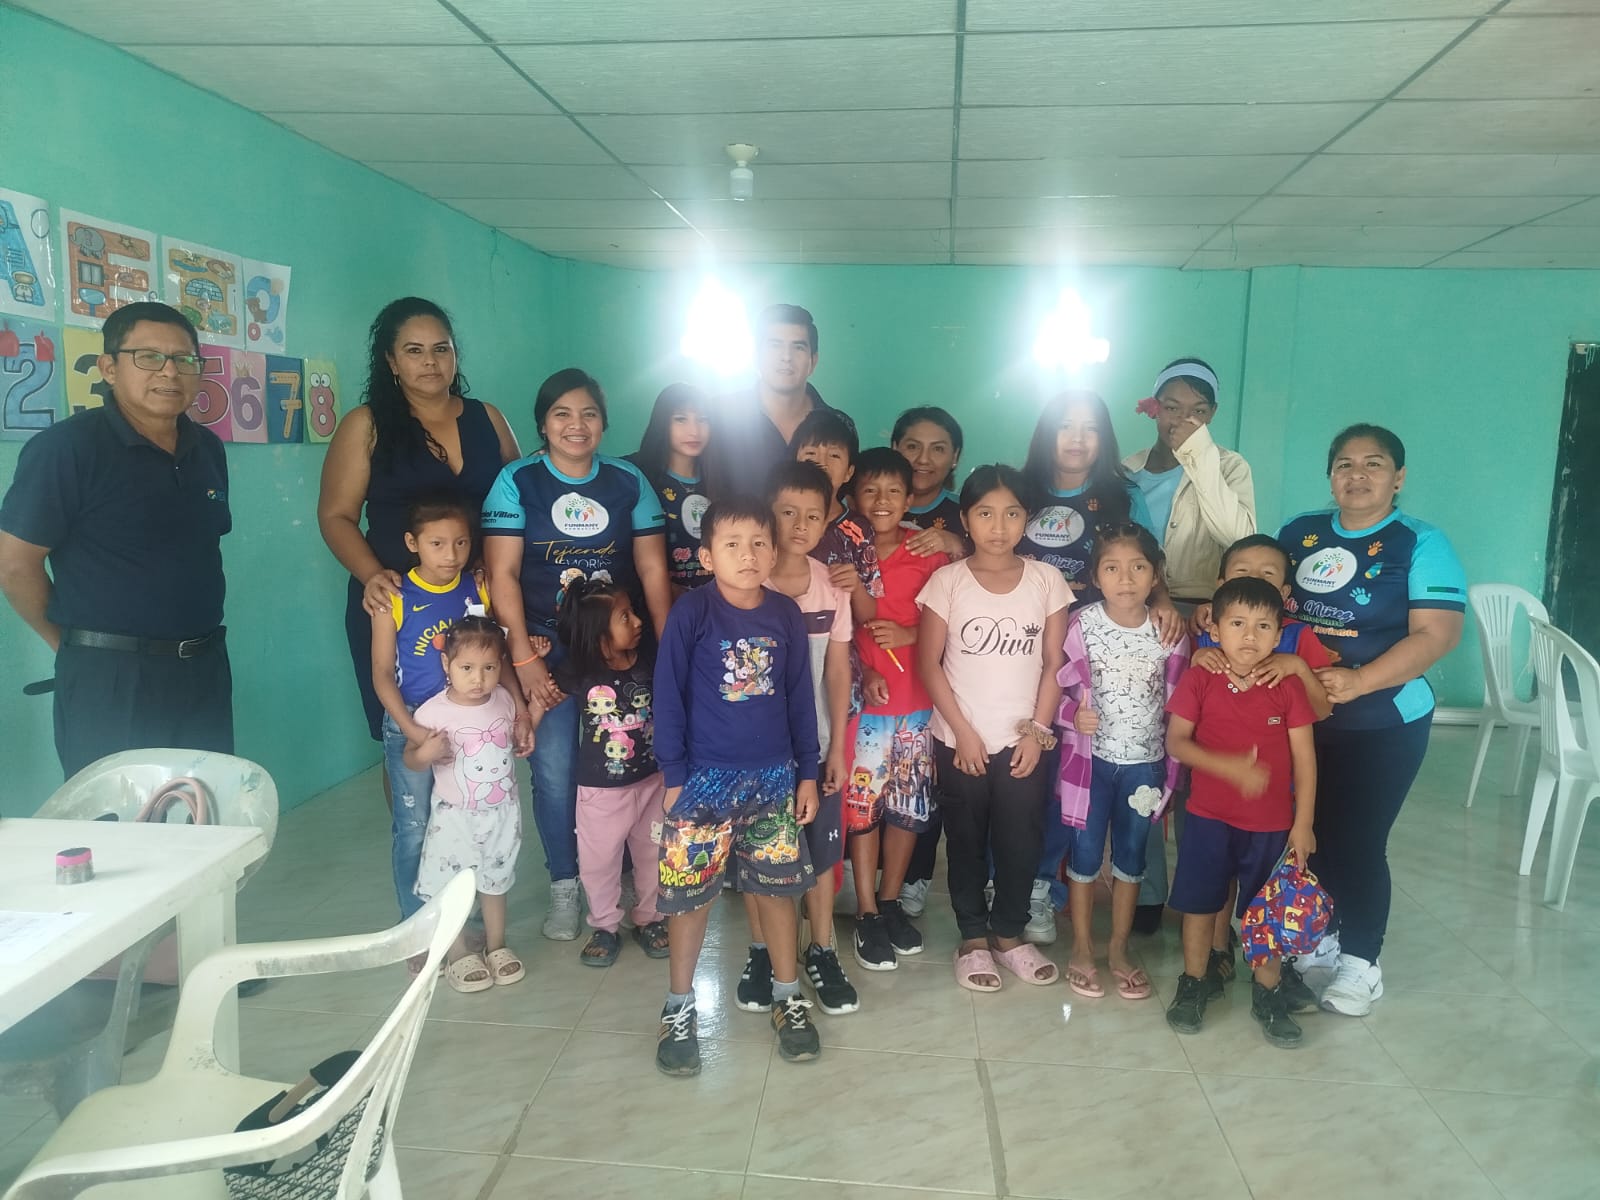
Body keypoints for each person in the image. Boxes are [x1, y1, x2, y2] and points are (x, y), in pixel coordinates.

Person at [0, 302, 233, 775]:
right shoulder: (67, 449)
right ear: (109, 367)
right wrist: (74, 648)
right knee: (120, 814)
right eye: (149, 357)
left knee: (204, 804)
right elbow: (14, 565)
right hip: (110, 680)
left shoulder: (206, 448)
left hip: (203, 668)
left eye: (185, 359)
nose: (170, 372)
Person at [1280, 424, 1465, 1017]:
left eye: (1374, 464)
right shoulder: (1298, 533)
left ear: (1398, 477)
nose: (1357, 475)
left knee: (1359, 841)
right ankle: (1323, 934)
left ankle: (1362, 962)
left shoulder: (1421, 542)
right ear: (1330, 474)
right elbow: (1260, 598)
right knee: (1309, 834)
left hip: (1385, 719)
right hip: (1303, 718)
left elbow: (1437, 634)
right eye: (1345, 464)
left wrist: (1360, 681)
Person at [482, 368, 672, 941]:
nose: (576, 424)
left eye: (589, 413)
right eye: (561, 413)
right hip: (545, 644)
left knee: (635, 763)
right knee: (556, 769)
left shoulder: (627, 481)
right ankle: (565, 883)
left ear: (604, 423)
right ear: (542, 424)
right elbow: (503, 574)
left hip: (619, 647)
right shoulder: (516, 481)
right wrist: (524, 658)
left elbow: (651, 569)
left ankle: (631, 881)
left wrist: (668, 649)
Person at [652, 498, 822, 1077]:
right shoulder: (692, 612)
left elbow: (800, 698)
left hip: (773, 779)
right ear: (706, 556)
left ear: (773, 553)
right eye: (732, 544)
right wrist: (674, 775)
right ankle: (679, 1006)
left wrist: (807, 772)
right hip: (703, 782)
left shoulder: (785, 615)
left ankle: (787, 996)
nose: (747, 555)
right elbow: (668, 694)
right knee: (689, 896)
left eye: (758, 544)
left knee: (777, 891)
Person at [319, 297, 520, 745]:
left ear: (455, 355)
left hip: (474, 600)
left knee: (479, 725)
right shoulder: (367, 425)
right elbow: (336, 516)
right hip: (396, 606)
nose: (430, 361)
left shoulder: (488, 418)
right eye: (414, 350)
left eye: (441, 349)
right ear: (391, 361)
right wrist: (372, 576)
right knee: (408, 739)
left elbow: (517, 504)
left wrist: (495, 566)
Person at [918, 465, 1071, 993]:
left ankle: (1008, 934)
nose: (999, 526)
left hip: (1023, 741)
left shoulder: (1046, 580)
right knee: (964, 840)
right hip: (960, 741)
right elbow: (929, 664)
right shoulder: (947, 582)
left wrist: (1038, 731)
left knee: (1021, 839)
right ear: (965, 520)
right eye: (985, 513)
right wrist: (962, 732)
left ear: (1027, 519)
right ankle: (972, 939)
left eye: (1011, 514)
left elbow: (1054, 664)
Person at [1162, 578, 1318, 1047]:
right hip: (1208, 816)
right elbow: (1176, 742)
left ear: (1278, 635)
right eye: (1237, 624)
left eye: (1262, 626)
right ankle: (1195, 982)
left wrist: (1304, 824)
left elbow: (1305, 760)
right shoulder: (1199, 679)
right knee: (1199, 905)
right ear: (1215, 629)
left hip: (1271, 826)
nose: (1249, 636)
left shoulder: (1287, 686)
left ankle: (1267, 994)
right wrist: (1230, 767)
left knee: (1265, 911)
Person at [369, 493, 532, 925]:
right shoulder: (394, 597)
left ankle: (465, 922)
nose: (451, 555)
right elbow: (382, 674)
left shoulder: (476, 587)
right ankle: (416, 927)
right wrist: (413, 731)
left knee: (469, 821)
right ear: (412, 543)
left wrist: (519, 709)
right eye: (437, 544)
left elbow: (496, 655)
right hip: (414, 721)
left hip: (471, 721)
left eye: (461, 543)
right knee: (414, 827)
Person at [1046, 524, 1191, 999]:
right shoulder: (1080, 626)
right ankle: (1082, 948)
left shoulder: (1170, 633)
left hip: (1145, 767)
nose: (1125, 579)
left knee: (1131, 858)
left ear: (1155, 576)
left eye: (1138, 567)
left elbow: (1180, 706)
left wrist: (1173, 771)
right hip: (1089, 766)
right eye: (1111, 568)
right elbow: (1052, 687)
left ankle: (1119, 950)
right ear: (1095, 576)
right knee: (1085, 856)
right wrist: (1070, 715)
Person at [1183, 533, 1334, 980]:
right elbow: (1188, 712)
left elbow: (1322, 711)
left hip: (1272, 803)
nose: (1254, 580)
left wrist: (1298, 667)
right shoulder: (1211, 637)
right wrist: (1201, 656)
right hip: (1213, 800)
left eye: (1267, 575)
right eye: (1242, 572)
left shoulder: (1297, 639)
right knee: (1213, 882)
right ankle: (1215, 953)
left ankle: (1268, 981)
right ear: (1220, 586)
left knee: (1264, 891)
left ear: (1285, 593)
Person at [739, 461, 858, 1016]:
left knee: (819, 855)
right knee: (758, 857)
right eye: (787, 512)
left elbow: (837, 670)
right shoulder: (747, 585)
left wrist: (837, 748)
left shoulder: (832, 585)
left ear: (828, 519)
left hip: (817, 748)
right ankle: (762, 952)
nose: (800, 525)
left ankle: (822, 949)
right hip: (755, 753)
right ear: (768, 513)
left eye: (813, 515)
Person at [843, 448, 947, 971]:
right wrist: (867, 671)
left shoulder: (929, 553)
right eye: (870, 490)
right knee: (864, 810)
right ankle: (865, 910)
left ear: (909, 500)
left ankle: (889, 903)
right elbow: (836, 629)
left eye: (893, 492)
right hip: (867, 708)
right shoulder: (843, 555)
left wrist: (910, 634)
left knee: (908, 808)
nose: (881, 501)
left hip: (920, 707)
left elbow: (953, 617)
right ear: (852, 497)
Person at [405, 617, 534, 993]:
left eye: (489, 668)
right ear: (446, 664)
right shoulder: (432, 712)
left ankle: (497, 946)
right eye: (467, 668)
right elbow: (410, 759)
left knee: (496, 881)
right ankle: (458, 952)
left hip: (502, 814)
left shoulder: (504, 700)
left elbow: (515, 736)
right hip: (454, 818)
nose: (479, 679)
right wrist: (426, 753)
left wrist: (532, 720)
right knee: (452, 886)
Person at [550, 579, 669, 967]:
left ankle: (651, 918)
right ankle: (604, 925)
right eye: (625, 617)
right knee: (599, 862)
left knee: (652, 853)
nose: (637, 621)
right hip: (600, 791)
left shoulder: (649, 659)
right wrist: (524, 726)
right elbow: (544, 696)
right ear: (598, 635)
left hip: (652, 782)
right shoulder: (579, 670)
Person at [891, 405, 967, 916]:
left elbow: (993, 566)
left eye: (938, 448)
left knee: (927, 772)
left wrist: (956, 543)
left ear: (955, 456)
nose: (924, 458)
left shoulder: (963, 512)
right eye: (912, 446)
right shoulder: (868, 502)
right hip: (877, 665)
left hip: (942, 665)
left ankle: (915, 875)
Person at [1123, 358, 1256, 604]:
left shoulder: (1230, 466)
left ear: (1212, 413)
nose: (1183, 420)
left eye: (1199, 411)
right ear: (1154, 407)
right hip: (1133, 606)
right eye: (1172, 408)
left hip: (1201, 609)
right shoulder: (1127, 471)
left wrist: (1199, 454)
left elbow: (1240, 541)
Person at [702, 304, 842, 500]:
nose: (786, 357)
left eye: (798, 347)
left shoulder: (838, 425)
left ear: (813, 361)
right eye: (775, 345)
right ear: (756, 356)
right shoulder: (717, 416)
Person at [793, 409, 882, 626]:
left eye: (834, 455)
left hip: (836, 642)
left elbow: (869, 615)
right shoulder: (774, 521)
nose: (821, 463)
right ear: (796, 460)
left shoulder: (859, 530)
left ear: (849, 472)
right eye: (811, 453)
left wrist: (856, 586)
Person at [626, 383, 713, 594]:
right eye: (681, 419)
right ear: (662, 423)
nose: (694, 430)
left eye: (702, 419)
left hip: (716, 600)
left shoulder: (722, 478)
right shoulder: (636, 476)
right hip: (656, 600)